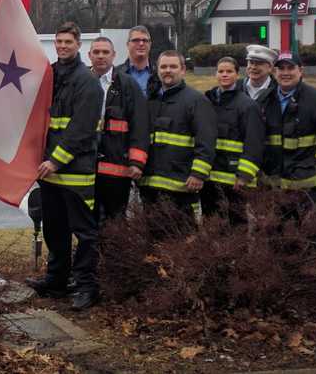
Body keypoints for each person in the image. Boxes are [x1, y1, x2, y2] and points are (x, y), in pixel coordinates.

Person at [25, 21, 104, 311]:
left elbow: (82, 130)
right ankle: (57, 279)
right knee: (54, 229)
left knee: (84, 233)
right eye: (58, 42)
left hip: (74, 171)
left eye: (68, 42)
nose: (62, 47)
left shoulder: (88, 82)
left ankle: (86, 287)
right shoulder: (51, 75)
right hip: (49, 171)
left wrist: (56, 159)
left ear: (78, 45)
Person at [139, 50, 217, 231]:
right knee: (153, 239)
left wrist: (198, 173)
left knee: (182, 240)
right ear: (157, 70)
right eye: (163, 67)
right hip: (150, 184)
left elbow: (206, 140)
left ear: (183, 70)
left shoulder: (196, 101)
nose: (168, 70)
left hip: (182, 185)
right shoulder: (151, 101)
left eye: (173, 66)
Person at [258, 52, 316, 213]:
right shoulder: (264, 100)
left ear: (301, 70)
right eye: (281, 68)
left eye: (291, 68)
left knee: (310, 235)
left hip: (309, 185)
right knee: (276, 234)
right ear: (274, 72)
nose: (285, 73)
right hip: (274, 184)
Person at [88, 36, 149, 221]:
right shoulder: (80, 81)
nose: (100, 56)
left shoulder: (128, 84)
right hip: (84, 164)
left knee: (115, 218)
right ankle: (89, 251)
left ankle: (113, 251)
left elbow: (140, 124)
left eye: (105, 52)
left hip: (116, 166)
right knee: (85, 218)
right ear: (89, 55)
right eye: (96, 52)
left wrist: (136, 162)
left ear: (114, 55)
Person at [200, 57, 264, 226]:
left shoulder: (248, 106)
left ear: (238, 75)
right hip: (210, 177)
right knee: (211, 222)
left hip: (234, 180)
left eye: (229, 71)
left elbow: (254, 143)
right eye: (221, 71)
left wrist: (244, 175)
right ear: (216, 74)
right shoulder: (207, 101)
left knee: (237, 224)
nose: (225, 75)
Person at [120, 25, 161, 98]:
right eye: (136, 40)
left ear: (150, 44)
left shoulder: (160, 73)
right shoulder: (116, 74)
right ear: (127, 44)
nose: (141, 44)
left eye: (145, 40)